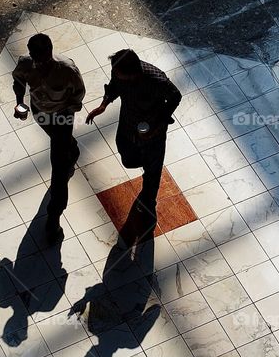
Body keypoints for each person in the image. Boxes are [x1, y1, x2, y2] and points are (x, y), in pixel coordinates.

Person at [85, 49, 181, 232]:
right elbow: (113, 86)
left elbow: (176, 96)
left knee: (153, 173)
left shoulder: (155, 79)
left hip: (153, 133)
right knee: (128, 158)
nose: (115, 74)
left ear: (132, 73)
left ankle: (148, 202)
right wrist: (103, 104)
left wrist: (159, 123)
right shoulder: (119, 73)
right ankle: (146, 167)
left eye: (118, 72)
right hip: (128, 126)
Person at [12, 33, 85, 242]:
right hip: (40, 113)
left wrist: (66, 115)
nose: (40, 65)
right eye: (37, 59)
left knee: (59, 168)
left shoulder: (67, 69)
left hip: (62, 117)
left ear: (51, 52)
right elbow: (18, 80)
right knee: (60, 144)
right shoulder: (26, 64)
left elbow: (78, 94)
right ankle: (71, 147)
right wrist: (19, 101)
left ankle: (53, 217)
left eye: (44, 59)